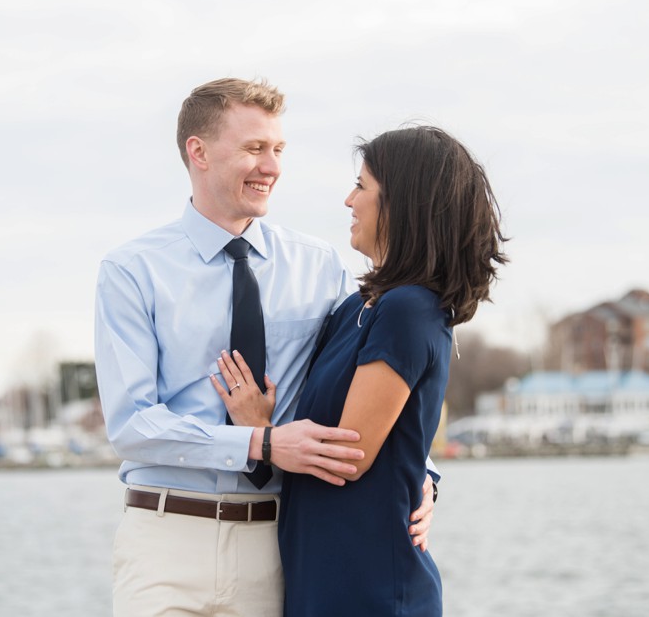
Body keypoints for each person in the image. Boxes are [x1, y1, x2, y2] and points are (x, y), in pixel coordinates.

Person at [94, 78, 438, 616]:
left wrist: (426, 472)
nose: (271, 166)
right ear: (198, 151)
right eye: (255, 148)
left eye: (278, 150)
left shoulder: (320, 266)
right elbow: (133, 426)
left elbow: (377, 374)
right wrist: (262, 444)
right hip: (165, 543)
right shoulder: (132, 270)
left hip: (277, 546)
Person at [215, 125, 507, 615]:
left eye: (363, 186)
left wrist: (259, 431)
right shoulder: (360, 306)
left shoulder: (408, 309)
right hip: (325, 577)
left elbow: (349, 454)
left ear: (404, 205)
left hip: (370, 585)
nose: (350, 199)